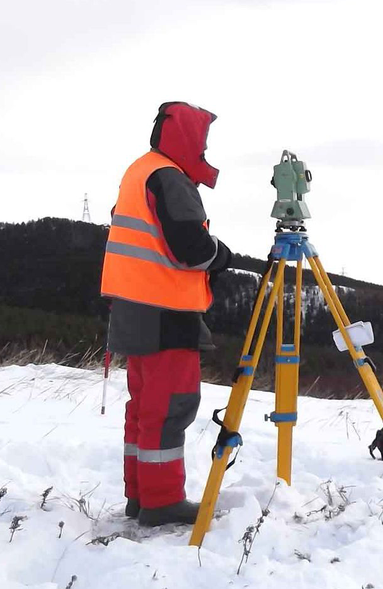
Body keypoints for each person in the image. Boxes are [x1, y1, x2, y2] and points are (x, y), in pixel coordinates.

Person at [100, 102, 233, 526]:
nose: (206, 148)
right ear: (189, 139)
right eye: (204, 140)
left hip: (133, 309)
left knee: (143, 408)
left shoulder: (140, 170)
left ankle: (141, 497)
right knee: (169, 406)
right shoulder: (169, 178)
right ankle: (161, 502)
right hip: (166, 312)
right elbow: (190, 249)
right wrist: (221, 256)